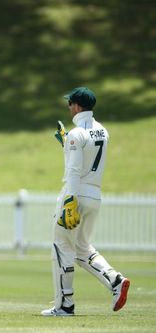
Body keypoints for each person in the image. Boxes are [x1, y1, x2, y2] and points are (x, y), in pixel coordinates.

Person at [41, 87, 130, 316]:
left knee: (62, 247)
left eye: (70, 104)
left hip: (76, 194)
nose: (69, 108)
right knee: (82, 247)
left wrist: (70, 200)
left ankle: (65, 305)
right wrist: (66, 145)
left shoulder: (76, 133)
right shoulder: (103, 131)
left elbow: (74, 169)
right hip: (94, 196)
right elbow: (87, 158)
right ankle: (115, 280)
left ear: (77, 106)